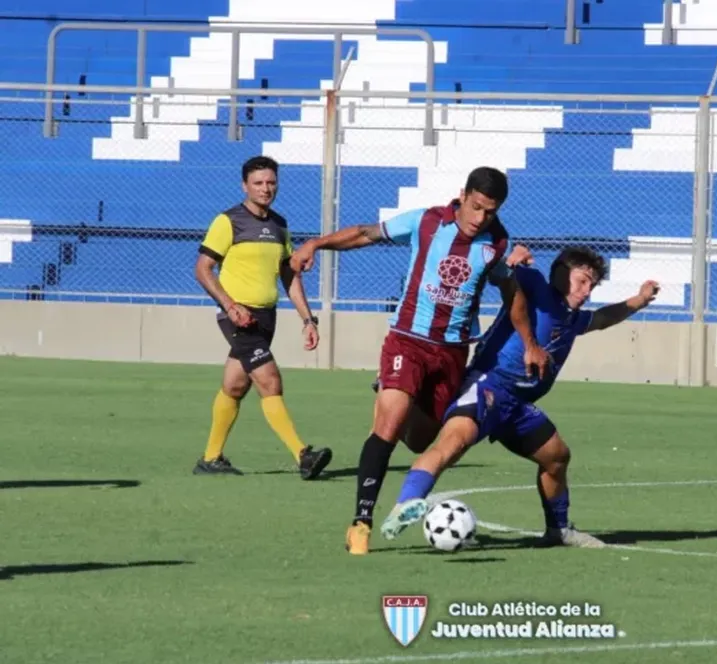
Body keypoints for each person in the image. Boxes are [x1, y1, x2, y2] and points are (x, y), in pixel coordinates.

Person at [290, 166, 549, 555]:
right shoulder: (426, 221)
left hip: (451, 352)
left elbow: (511, 293)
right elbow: (365, 233)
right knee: (388, 426)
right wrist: (317, 243)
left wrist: (529, 343)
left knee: (420, 440)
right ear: (463, 195)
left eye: (490, 212)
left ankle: (396, 393)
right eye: (476, 207)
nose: (480, 219)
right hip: (407, 340)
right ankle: (361, 523)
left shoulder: (495, 243)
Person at [379, 246, 660, 548]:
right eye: (582, 280)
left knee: (557, 457)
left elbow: (603, 318)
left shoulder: (572, 319)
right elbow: (504, 275)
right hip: (488, 386)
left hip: (516, 405)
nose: (587, 290)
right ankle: (404, 505)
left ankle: (558, 531)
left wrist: (640, 300)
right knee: (451, 446)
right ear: (561, 272)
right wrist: (512, 260)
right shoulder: (538, 286)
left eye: (592, 284)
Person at [193, 155, 333, 480]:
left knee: (235, 385)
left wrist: (308, 320)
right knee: (270, 381)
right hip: (238, 316)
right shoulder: (228, 221)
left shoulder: (280, 225)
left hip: (266, 317)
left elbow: (290, 276)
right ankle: (303, 455)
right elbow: (202, 268)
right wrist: (229, 305)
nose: (265, 188)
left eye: (271, 182)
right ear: (245, 186)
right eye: (258, 183)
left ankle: (211, 459)